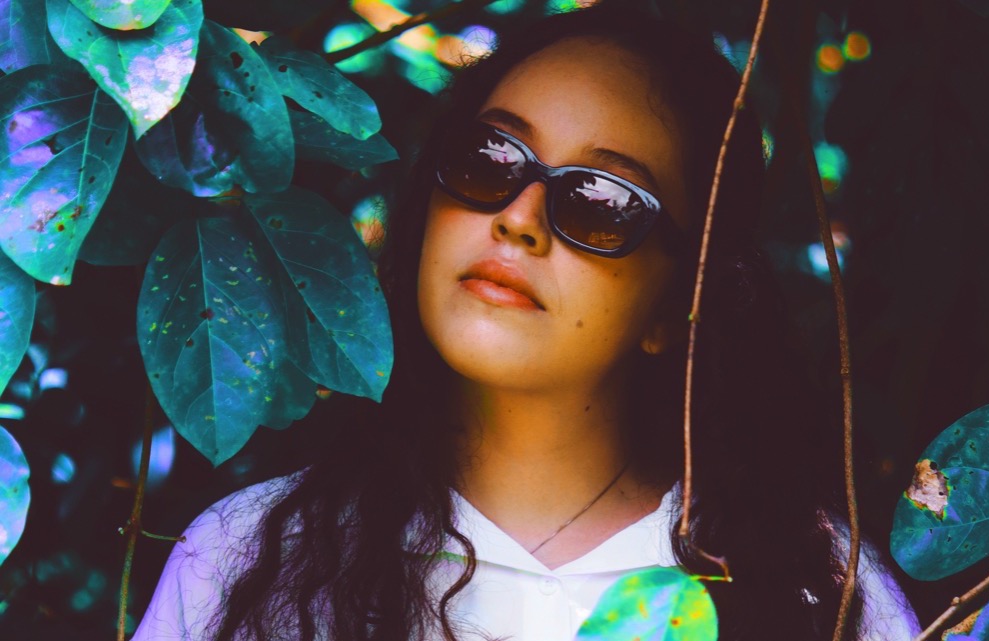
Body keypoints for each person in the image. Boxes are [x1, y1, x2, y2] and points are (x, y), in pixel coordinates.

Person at [131, 4, 920, 640]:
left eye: (601, 202)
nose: (519, 217)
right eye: (491, 158)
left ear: (678, 304)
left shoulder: (819, 594)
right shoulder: (243, 562)